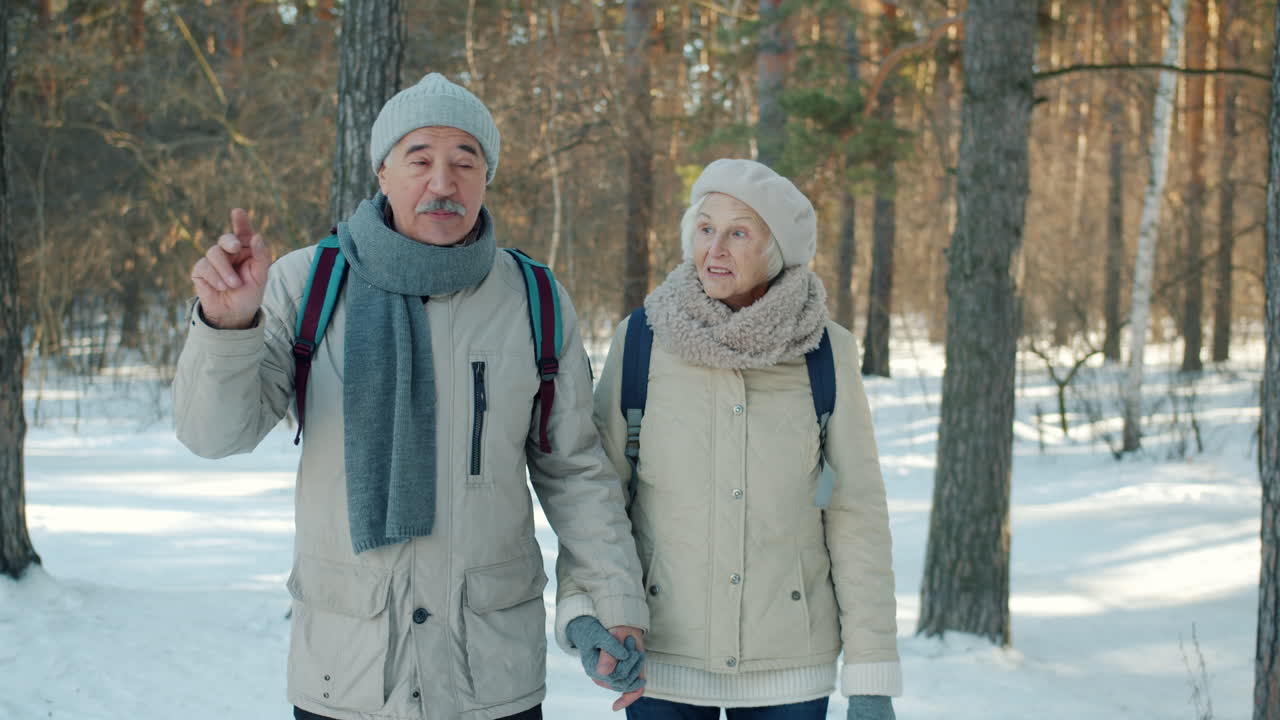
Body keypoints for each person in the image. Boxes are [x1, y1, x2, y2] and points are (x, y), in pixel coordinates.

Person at [174, 73, 649, 720]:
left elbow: (575, 470)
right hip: (348, 672)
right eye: (420, 159)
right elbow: (214, 434)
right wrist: (229, 327)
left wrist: (609, 604)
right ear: (382, 172)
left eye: (465, 161)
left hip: (490, 673)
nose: (443, 182)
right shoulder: (306, 283)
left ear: (487, 176)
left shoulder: (533, 299)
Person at [592, 159, 902, 720]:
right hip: (662, 658)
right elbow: (599, 500)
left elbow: (856, 514)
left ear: (777, 249)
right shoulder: (641, 340)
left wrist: (871, 672)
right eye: (706, 228)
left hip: (789, 667)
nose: (715, 248)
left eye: (738, 233)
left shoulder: (827, 352)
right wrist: (591, 612)